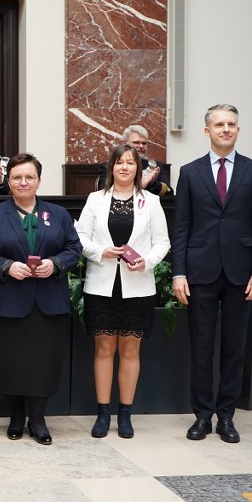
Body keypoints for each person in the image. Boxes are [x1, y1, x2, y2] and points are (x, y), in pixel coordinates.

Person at [172, 104, 252, 444]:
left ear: (238, 130)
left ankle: (226, 416)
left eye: (231, 124)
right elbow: (181, 228)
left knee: (234, 349)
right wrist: (178, 273)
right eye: (219, 124)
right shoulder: (190, 172)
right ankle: (202, 415)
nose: (226, 129)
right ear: (207, 131)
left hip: (241, 274)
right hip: (200, 272)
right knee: (201, 347)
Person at [0, 153, 82, 444]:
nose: (23, 182)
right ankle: (15, 417)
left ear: (38, 180)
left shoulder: (58, 214)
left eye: (29, 177)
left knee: (42, 364)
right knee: (9, 363)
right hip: (6, 303)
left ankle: (37, 419)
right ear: (8, 181)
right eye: (17, 177)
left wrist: (55, 264)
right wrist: (7, 266)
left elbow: (74, 248)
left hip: (48, 304)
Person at [76, 144, 170, 438]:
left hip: (137, 285)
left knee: (130, 350)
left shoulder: (151, 202)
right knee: (104, 349)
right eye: (120, 162)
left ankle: (125, 414)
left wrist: (147, 261)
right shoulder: (95, 199)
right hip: (101, 284)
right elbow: (80, 236)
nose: (125, 167)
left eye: (131, 163)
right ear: (112, 168)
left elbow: (162, 242)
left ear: (137, 169)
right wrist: (101, 251)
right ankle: (103, 413)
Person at [96, 125, 174, 196]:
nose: (141, 146)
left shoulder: (155, 166)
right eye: (136, 142)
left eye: (144, 143)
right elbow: (104, 192)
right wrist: (141, 184)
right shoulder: (109, 166)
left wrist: (152, 183)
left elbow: (169, 192)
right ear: (124, 143)